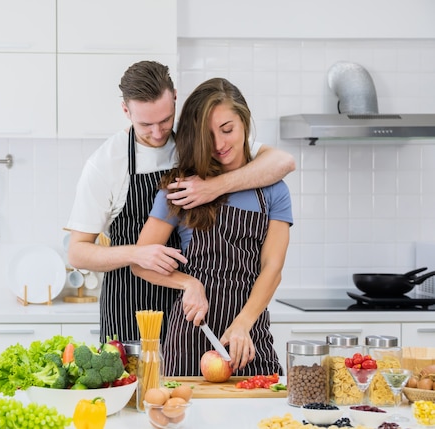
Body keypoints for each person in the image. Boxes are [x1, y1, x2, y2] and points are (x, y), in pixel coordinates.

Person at [66, 61, 295, 344]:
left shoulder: (198, 138)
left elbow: (283, 162)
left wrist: (213, 188)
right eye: (145, 125)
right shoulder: (106, 164)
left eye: (165, 120)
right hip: (133, 305)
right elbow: (77, 253)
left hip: (194, 311)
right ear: (126, 111)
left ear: (175, 97)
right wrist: (137, 254)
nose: (159, 133)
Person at [130, 77, 292, 377]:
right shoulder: (180, 189)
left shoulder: (273, 190)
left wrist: (244, 322)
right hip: (192, 332)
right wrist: (188, 283)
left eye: (227, 129)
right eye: (208, 135)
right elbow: (141, 263)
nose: (219, 145)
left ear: (244, 121)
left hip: (250, 333)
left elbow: (272, 267)